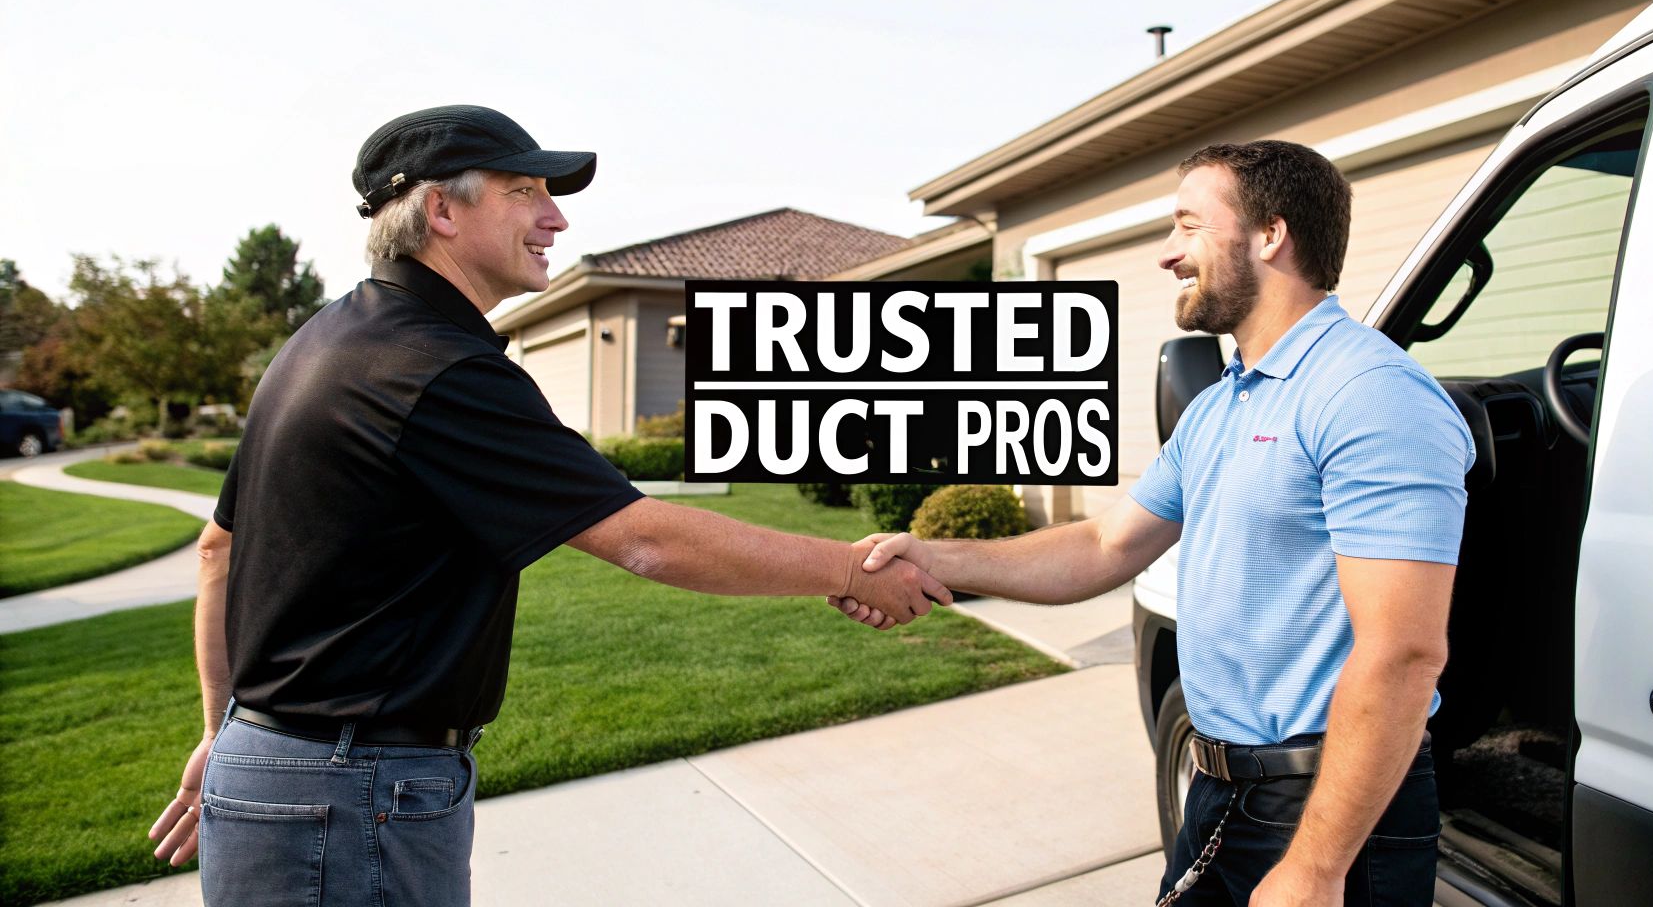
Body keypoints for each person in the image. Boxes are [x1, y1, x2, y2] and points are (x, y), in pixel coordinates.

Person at [146, 105, 950, 906]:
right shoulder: (434, 367)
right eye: (525, 190)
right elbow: (645, 541)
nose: (555, 217)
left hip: (283, 766)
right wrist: (849, 566)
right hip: (353, 789)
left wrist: (224, 733)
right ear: (441, 210)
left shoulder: (323, 342)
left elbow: (219, 549)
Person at [837, 140, 1473, 906]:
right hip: (1220, 794)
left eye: (1187, 226)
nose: (1167, 255)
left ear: (1270, 235)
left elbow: (1402, 652)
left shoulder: (1369, 393)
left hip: (1324, 807)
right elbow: (1105, 544)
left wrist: (1315, 868)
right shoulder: (1221, 406)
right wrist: (934, 558)